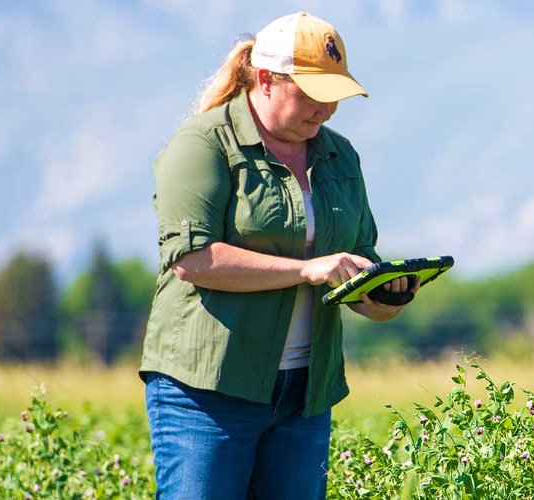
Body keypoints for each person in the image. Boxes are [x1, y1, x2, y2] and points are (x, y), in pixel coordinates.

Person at [141, 12, 415, 499]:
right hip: (207, 392)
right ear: (265, 80)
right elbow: (193, 259)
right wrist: (308, 270)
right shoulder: (202, 144)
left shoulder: (340, 156)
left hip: (304, 395)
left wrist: (379, 295)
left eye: (334, 96)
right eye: (312, 94)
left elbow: (356, 254)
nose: (326, 110)